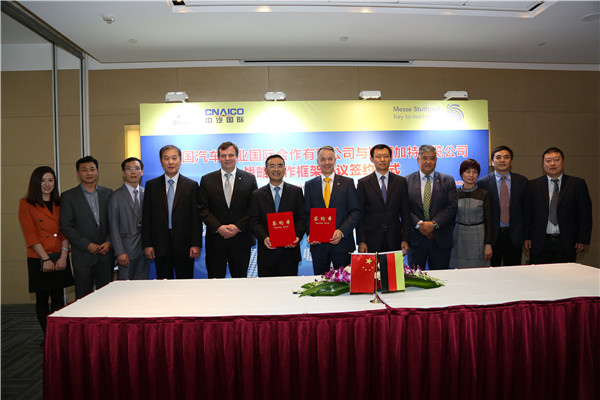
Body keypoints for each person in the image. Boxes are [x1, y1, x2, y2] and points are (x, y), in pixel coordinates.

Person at [18, 166, 74, 350]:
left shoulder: (60, 203)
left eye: (50, 180)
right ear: (36, 182)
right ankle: (48, 336)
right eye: (43, 180)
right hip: (39, 257)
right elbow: (30, 235)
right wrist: (45, 259)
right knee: (42, 298)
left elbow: (65, 230)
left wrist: (64, 256)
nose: (47, 184)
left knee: (58, 297)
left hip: (60, 255)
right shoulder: (26, 204)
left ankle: (57, 335)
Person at [198, 141, 258, 278]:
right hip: (216, 240)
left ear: (237, 157)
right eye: (223, 156)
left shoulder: (249, 179)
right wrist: (218, 227)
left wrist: (238, 227)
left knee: (240, 279)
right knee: (215, 280)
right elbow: (203, 208)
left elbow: (253, 208)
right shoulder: (207, 179)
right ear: (218, 158)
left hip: (241, 239)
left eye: (231, 155)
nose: (227, 158)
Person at [142, 145, 202, 279]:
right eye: (166, 158)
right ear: (160, 161)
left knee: (185, 283)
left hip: (185, 245)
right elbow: (147, 217)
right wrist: (147, 244)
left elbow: (196, 217)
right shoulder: (151, 185)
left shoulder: (191, 185)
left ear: (180, 160)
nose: (170, 162)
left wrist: (196, 244)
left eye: (174, 158)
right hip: (159, 245)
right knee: (163, 283)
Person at [525, 147, 592, 264]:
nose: (552, 164)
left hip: (567, 242)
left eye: (556, 160)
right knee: (540, 274)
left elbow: (585, 214)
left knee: (565, 274)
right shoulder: (532, 185)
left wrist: (583, 239)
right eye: (548, 160)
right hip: (539, 242)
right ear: (543, 164)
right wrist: (526, 237)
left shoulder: (577, 184)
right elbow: (527, 214)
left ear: (563, 162)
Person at [60, 156, 113, 299]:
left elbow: (114, 222)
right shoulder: (68, 196)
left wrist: (109, 241)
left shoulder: (108, 193)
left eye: (92, 169)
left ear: (97, 171)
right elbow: (66, 226)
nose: (89, 173)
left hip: (105, 253)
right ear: (77, 173)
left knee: (107, 296)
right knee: (83, 296)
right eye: (84, 170)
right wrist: (86, 244)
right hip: (82, 255)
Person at [304, 145, 361, 275]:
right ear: (317, 161)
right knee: (320, 281)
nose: (327, 162)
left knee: (344, 282)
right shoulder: (309, 185)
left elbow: (355, 211)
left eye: (330, 159)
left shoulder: (347, 183)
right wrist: (311, 234)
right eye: (323, 159)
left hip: (342, 244)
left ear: (335, 160)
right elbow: (307, 213)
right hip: (318, 245)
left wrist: (342, 231)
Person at [249, 154, 305, 277]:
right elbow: (254, 221)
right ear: (265, 170)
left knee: (289, 287)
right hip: (267, 253)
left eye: (279, 166)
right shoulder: (257, 194)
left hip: (290, 252)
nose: (276, 169)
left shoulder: (296, 192)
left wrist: (296, 236)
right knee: (267, 288)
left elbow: (302, 218)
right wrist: (264, 237)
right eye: (272, 166)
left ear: (285, 169)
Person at [406, 145, 457, 270]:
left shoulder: (447, 180)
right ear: (418, 160)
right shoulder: (406, 181)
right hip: (416, 240)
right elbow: (404, 208)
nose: (428, 162)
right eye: (425, 158)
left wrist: (433, 224)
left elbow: (452, 207)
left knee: (441, 277)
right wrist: (420, 224)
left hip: (441, 239)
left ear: (436, 160)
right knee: (415, 278)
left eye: (432, 158)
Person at [477, 145, 528, 266]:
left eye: (506, 157)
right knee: (493, 272)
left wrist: (527, 236)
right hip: (492, 237)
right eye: (498, 157)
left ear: (511, 162)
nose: (502, 160)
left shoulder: (522, 181)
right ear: (492, 162)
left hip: (514, 235)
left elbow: (526, 211)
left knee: (514, 272)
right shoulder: (482, 183)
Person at [357, 144, 410, 254]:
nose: (382, 159)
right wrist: (361, 241)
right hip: (371, 240)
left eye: (386, 156)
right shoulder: (363, 183)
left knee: (394, 266)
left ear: (391, 158)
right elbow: (359, 215)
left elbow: (405, 213)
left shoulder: (400, 182)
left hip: (395, 239)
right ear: (372, 159)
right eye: (378, 156)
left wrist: (405, 239)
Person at [108, 157, 149, 280]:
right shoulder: (115, 196)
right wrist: (120, 252)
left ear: (142, 172)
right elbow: (113, 226)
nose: (133, 172)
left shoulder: (146, 193)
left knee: (142, 285)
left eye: (136, 168)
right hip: (126, 250)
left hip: (144, 250)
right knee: (125, 285)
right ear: (123, 173)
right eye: (129, 169)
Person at [450, 159, 493, 268]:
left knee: (479, 271)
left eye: (475, 172)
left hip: (478, 237)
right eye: (468, 171)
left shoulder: (484, 194)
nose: (471, 175)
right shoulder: (454, 193)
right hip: (459, 236)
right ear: (461, 173)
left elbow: (489, 222)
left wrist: (488, 244)